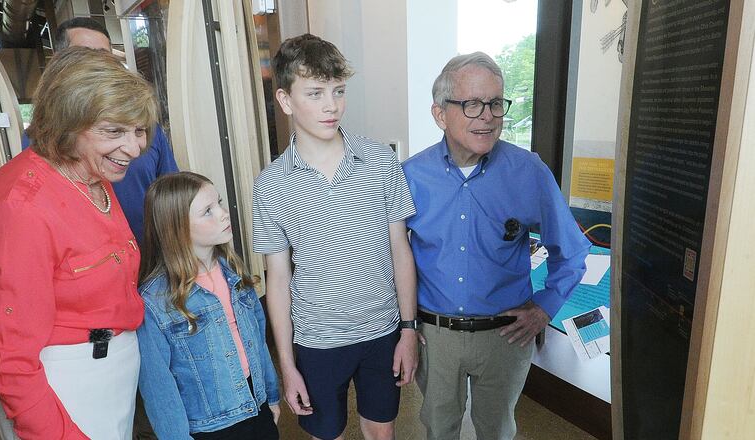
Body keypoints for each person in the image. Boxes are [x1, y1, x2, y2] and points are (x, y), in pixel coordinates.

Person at [0, 46, 158, 439]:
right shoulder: (23, 208)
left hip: (111, 372)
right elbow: (11, 361)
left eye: (138, 130)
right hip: (65, 384)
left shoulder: (90, 170)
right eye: (114, 131)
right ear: (68, 124)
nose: (135, 148)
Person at [402, 52, 591, 440]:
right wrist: (402, 326)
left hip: (506, 336)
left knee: (498, 430)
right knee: (438, 429)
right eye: (472, 104)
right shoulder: (410, 176)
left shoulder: (529, 171)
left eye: (495, 103)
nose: (487, 116)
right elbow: (390, 257)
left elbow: (572, 251)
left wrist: (545, 307)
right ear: (440, 114)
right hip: (434, 336)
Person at [252, 34, 418, 440]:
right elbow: (278, 279)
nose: (332, 106)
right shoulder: (270, 184)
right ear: (286, 100)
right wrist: (287, 364)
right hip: (317, 339)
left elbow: (400, 250)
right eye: (315, 93)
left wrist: (409, 329)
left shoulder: (380, 160)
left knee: (382, 431)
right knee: (326, 435)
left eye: (338, 91)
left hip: (382, 330)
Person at [136, 172, 280, 439]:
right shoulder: (155, 300)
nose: (224, 214)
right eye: (208, 211)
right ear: (177, 227)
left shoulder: (233, 272)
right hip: (210, 426)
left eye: (220, 203)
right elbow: (158, 385)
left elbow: (258, 340)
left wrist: (271, 394)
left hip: (255, 404)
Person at [20, 17, 180, 244]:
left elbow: (173, 193)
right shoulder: (41, 139)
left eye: (104, 56)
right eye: (113, 131)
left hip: (149, 254)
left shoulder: (144, 127)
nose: (133, 150)